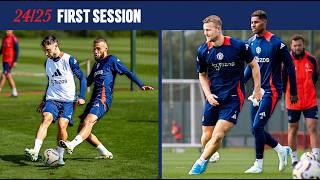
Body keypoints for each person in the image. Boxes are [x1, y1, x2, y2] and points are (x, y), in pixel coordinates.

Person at [188, 15, 262, 175]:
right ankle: (210, 152)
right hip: (213, 97)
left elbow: (254, 66)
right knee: (206, 137)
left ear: (218, 29)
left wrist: (257, 89)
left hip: (233, 98)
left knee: (218, 134)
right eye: (204, 30)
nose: (205, 33)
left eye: (208, 30)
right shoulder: (203, 50)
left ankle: (198, 165)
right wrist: (208, 95)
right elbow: (202, 75)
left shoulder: (238, 46)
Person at [59, 38, 154, 158]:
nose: (95, 51)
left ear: (106, 48)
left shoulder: (112, 60)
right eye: (94, 49)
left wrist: (141, 85)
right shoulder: (96, 65)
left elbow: (127, 72)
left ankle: (72, 144)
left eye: (98, 48)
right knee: (82, 129)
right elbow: (87, 82)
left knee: (88, 122)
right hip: (93, 100)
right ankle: (105, 153)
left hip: (103, 98)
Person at [243, 10, 298, 173]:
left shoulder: (276, 43)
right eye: (252, 22)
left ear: (264, 23)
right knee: (255, 129)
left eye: (256, 22)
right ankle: (281, 150)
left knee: (258, 126)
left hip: (271, 91)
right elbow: (250, 68)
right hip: (256, 92)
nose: (253, 25)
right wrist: (239, 83)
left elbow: (290, 67)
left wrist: (293, 91)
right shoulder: (251, 42)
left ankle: (258, 165)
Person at [24, 35, 87, 165]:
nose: (46, 53)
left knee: (61, 126)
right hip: (52, 99)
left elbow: (82, 78)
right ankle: (35, 151)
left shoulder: (69, 60)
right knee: (46, 118)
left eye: (48, 50)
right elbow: (50, 82)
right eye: (45, 51)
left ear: (55, 45)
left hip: (68, 101)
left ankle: (60, 156)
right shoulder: (47, 62)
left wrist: (81, 96)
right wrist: (43, 100)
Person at [283, 35, 319, 167]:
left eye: (299, 45)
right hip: (293, 101)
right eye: (295, 45)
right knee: (293, 129)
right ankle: (294, 160)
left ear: (303, 45)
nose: (297, 47)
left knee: (313, 127)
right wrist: (290, 93)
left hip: (310, 100)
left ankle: (316, 158)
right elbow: (283, 80)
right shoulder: (286, 62)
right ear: (291, 46)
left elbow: (314, 77)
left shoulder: (311, 60)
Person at [0, 30, 19, 97]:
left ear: (12, 31)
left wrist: (15, 61)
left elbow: (17, 51)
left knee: (3, 75)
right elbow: (2, 49)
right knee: (8, 75)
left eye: (8, 30)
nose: (6, 31)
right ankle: (14, 92)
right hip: (4, 60)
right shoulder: (4, 38)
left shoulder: (14, 39)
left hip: (9, 61)